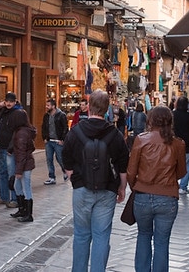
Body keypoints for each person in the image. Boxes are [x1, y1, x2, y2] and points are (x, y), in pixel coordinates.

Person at [62, 89, 129, 272]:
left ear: (89, 108)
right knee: (101, 236)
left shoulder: (75, 132)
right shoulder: (115, 135)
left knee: (82, 235)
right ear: (107, 109)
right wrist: (122, 188)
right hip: (107, 191)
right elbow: (123, 164)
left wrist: (73, 177)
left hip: (82, 189)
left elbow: (65, 157)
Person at [127, 105, 186, 272]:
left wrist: (135, 187)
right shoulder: (178, 144)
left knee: (143, 236)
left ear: (150, 120)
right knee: (162, 242)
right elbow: (181, 172)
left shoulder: (141, 139)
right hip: (167, 197)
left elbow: (131, 171)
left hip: (143, 196)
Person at [0, 92, 29, 208]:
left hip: (10, 148)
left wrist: (12, 147)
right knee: (2, 172)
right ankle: (3, 197)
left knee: (12, 173)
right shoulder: (4, 111)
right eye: (7, 101)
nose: (8, 103)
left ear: (15, 102)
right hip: (0, 146)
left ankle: (15, 198)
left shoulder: (18, 113)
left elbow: (19, 131)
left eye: (11, 101)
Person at [10, 118, 36, 222]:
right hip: (25, 163)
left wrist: (18, 171)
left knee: (26, 187)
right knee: (17, 186)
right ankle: (22, 209)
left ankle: (28, 214)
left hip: (25, 164)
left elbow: (21, 153)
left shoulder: (21, 134)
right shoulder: (24, 131)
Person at [42, 99, 69, 185]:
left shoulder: (61, 115)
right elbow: (43, 127)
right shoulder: (46, 116)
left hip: (58, 141)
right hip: (49, 141)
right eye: (46, 105)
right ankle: (51, 177)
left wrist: (62, 140)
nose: (46, 107)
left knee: (60, 158)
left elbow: (65, 128)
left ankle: (65, 171)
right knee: (49, 159)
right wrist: (44, 138)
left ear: (53, 106)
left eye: (48, 105)